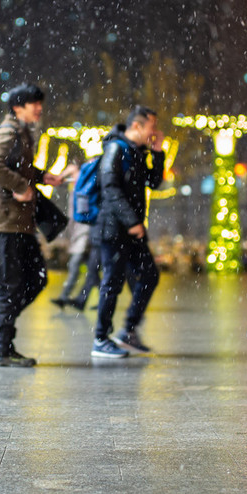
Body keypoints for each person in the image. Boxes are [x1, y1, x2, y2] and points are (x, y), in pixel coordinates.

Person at [0, 83, 66, 367]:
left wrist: (41, 176)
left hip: (20, 222)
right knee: (11, 286)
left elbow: (17, 167)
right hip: (4, 222)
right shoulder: (8, 132)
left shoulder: (23, 133)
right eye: (33, 103)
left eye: (39, 103)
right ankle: (2, 347)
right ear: (17, 107)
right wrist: (22, 185)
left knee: (37, 280)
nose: (39, 108)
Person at [91, 106, 165, 359]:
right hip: (113, 229)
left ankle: (128, 331)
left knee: (149, 275)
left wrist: (157, 153)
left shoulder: (137, 152)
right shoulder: (116, 149)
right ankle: (101, 338)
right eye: (151, 127)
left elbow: (154, 183)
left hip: (132, 231)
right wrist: (132, 221)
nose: (154, 132)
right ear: (137, 126)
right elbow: (109, 188)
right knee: (112, 282)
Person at [50, 211, 93, 310]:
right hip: (82, 238)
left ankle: (66, 297)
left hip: (86, 238)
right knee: (92, 273)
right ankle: (74, 299)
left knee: (87, 271)